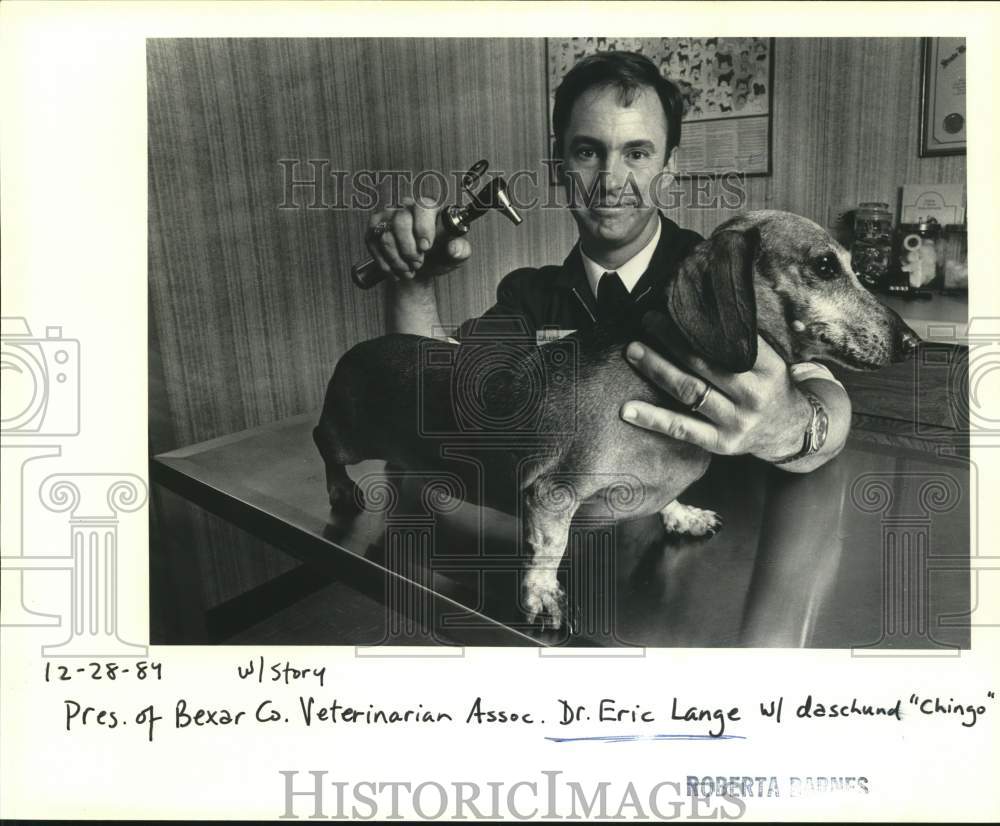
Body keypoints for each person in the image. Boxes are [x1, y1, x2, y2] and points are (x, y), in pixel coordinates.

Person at [362, 50, 851, 473]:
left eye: (637, 152)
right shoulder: (530, 297)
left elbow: (823, 396)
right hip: (573, 547)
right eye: (588, 151)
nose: (610, 179)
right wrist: (411, 279)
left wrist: (794, 427)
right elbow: (432, 392)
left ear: (669, 167)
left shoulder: (725, 280)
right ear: (560, 165)